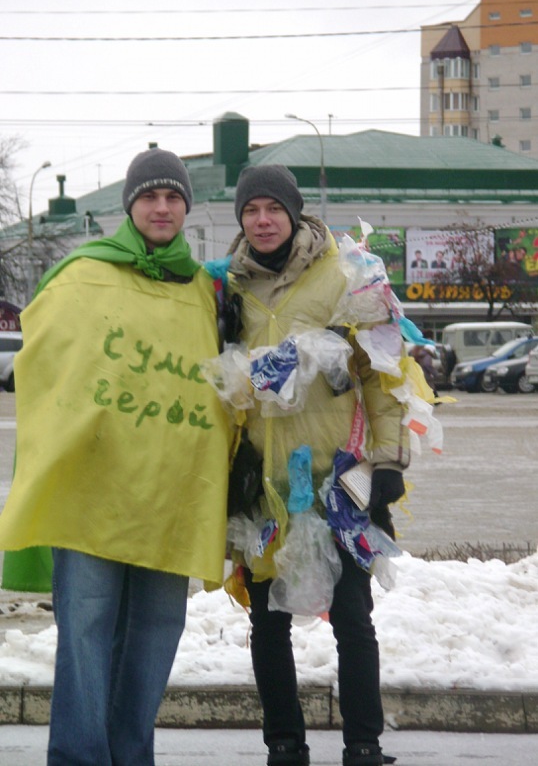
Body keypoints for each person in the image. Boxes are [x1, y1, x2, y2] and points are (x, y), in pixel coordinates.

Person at [0, 148, 232, 765]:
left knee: (155, 637)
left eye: (173, 196)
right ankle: (79, 757)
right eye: (150, 196)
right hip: (92, 495)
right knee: (85, 635)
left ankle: (131, 756)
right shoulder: (82, 273)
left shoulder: (205, 291)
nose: (162, 207)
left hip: (170, 496)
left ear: (186, 206)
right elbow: (46, 369)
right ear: (131, 205)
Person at [225, 165, 410, 766]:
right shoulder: (229, 288)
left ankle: (363, 743)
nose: (262, 220)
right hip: (265, 483)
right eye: (251, 210)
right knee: (268, 623)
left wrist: (388, 460)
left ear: (294, 213)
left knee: (352, 617)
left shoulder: (345, 274)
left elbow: (383, 378)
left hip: (338, 476)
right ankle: (284, 743)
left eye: (272, 209)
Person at [410, 329, 439, 397]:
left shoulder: (416, 348)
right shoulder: (427, 351)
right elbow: (427, 364)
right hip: (425, 373)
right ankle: (435, 400)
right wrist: (434, 373)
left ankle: (436, 399)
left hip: (416, 372)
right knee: (429, 386)